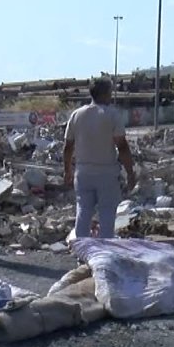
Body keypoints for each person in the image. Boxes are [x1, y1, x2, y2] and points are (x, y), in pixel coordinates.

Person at [63, 78, 137, 239]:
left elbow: (68, 146)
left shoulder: (77, 115)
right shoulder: (111, 115)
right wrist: (130, 173)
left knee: (83, 212)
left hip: (82, 172)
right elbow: (122, 146)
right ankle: (105, 254)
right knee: (107, 215)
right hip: (106, 173)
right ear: (105, 94)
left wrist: (67, 170)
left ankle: (81, 250)